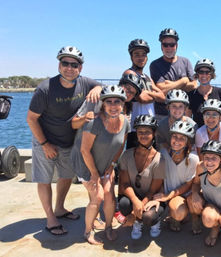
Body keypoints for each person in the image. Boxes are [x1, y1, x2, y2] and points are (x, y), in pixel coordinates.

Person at [26, 46, 102, 236]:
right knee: (44, 179)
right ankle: (50, 217)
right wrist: (44, 144)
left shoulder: (85, 83)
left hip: (68, 141)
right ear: (59, 65)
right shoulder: (45, 89)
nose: (69, 68)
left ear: (80, 68)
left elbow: (101, 86)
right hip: (45, 139)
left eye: (74, 64)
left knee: (66, 176)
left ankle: (60, 208)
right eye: (65, 63)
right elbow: (31, 118)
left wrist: (98, 88)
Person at [70, 85, 128, 244]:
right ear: (102, 104)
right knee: (98, 196)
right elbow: (84, 150)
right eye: (109, 101)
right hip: (85, 163)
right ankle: (87, 232)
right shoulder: (93, 122)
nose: (113, 105)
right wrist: (94, 175)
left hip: (106, 163)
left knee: (110, 195)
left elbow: (121, 145)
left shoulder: (125, 123)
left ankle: (108, 227)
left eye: (117, 101)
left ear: (123, 104)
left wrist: (113, 162)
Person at [117, 115, 165, 239]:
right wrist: (135, 201)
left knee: (149, 217)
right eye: (140, 132)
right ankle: (138, 222)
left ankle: (153, 221)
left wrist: (134, 213)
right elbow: (125, 183)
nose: (143, 135)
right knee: (123, 204)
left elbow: (152, 191)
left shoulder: (160, 160)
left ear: (154, 133)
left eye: (147, 132)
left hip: (151, 196)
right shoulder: (127, 155)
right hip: (135, 195)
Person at [153, 120, 199, 232]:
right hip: (172, 194)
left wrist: (168, 196)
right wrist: (161, 193)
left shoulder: (193, 159)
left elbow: (188, 185)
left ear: (188, 142)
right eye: (175, 136)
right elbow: (161, 179)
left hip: (185, 194)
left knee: (189, 204)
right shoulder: (163, 154)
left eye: (182, 138)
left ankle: (194, 217)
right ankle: (176, 215)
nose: (177, 141)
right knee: (178, 213)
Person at [122, 39, 165, 148]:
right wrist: (150, 94)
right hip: (135, 127)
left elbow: (162, 97)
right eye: (137, 54)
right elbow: (142, 98)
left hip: (150, 125)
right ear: (131, 57)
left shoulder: (147, 77)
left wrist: (147, 93)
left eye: (143, 54)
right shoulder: (129, 74)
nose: (140, 57)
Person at [150, 28, 197, 121]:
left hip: (183, 114)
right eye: (165, 45)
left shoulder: (186, 62)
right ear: (161, 46)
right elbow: (161, 90)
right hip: (162, 115)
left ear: (177, 45)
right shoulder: (155, 64)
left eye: (172, 44)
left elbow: (194, 85)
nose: (169, 48)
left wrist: (170, 86)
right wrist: (183, 81)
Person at [187, 58, 221, 127]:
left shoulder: (220, 93)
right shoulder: (191, 95)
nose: (204, 75)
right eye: (201, 72)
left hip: (217, 135)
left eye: (207, 72)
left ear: (212, 75)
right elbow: (188, 119)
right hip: (198, 134)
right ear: (197, 74)